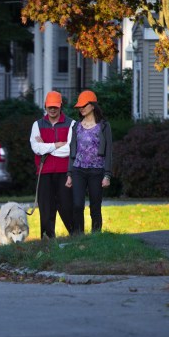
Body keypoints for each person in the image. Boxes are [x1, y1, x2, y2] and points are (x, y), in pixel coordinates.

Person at [30, 91, 75, 239]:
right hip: (44, 173)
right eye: (50, 107)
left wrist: (47, 148)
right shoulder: (37, 124)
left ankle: (77, 236)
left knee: (67, 206)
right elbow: (36, 148)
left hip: (65, 172)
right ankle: (47, 240)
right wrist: (56, 145)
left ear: (61, 106)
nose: (53, 109)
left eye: (55, 106)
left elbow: (70, 149)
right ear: (45, 106)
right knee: (46, 209)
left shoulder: (72, 124)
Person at [67, 90, 113, 234]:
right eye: (79, 106)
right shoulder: (76, 126)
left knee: (95, 206)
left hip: (97, 171)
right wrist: (69, 173)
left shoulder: (104, 126)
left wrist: (107, 175)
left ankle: (96, 236)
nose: (81, 108)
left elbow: (109, 151)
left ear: (92, 105)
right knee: (77, 205)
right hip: (78, 170)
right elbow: (72, 151)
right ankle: (78, 235)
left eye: (84, 105)